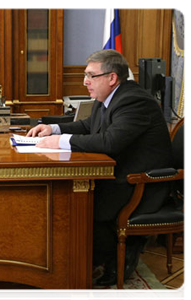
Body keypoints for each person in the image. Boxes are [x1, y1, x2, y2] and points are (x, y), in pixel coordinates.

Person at [27, 49, 173, 286]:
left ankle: (110, 259)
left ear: (112, 78)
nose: (85, 81)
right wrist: (53, 129)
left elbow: (110, 141)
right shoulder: (107, 97)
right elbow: (89, 126)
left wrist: (61, 142)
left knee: (80, 201)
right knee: (70, 198)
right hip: (121, 172)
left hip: (140, 183)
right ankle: (71, 260)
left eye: (90, 76)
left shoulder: (134, 101)